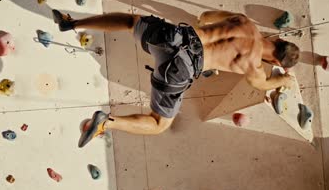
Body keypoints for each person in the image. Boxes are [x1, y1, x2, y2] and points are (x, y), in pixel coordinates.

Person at [51, 9, 301, 148]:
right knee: (160, 123)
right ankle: (106, 123)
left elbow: (206, 15)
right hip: (181, 68)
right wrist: (284, 81)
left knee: (131, 21)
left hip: (176, 37)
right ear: (277, 62)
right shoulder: (254, 66)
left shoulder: (244, 22)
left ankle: (72, 23)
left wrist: (206, 24)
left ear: (278, 39)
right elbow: (261, 84)